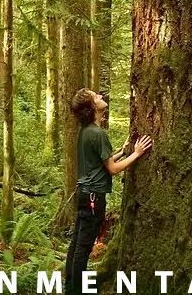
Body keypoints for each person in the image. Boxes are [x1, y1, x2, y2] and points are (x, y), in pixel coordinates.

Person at [63, 88, 152, 294]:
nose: (101, 96)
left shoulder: (86, 131)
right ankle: (75, 291)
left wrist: (123, 151)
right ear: (92, 107)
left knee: (76, 244)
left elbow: (102, 162)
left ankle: (70, 287)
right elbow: (112, 169)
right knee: (83, 248)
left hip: (85, 194)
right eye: (96, 97)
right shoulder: (97, 133)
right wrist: (137, 154)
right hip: (93, 196)